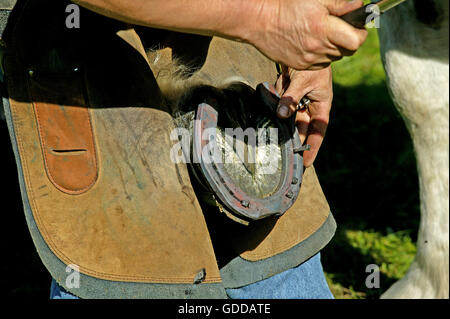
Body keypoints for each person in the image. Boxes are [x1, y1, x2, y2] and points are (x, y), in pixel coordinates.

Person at [1, 0, 367, 299]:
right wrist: (259, 17)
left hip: (232, 46)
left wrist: (313, 25)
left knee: (276, 259)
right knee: (129, 272)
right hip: (83, 49)